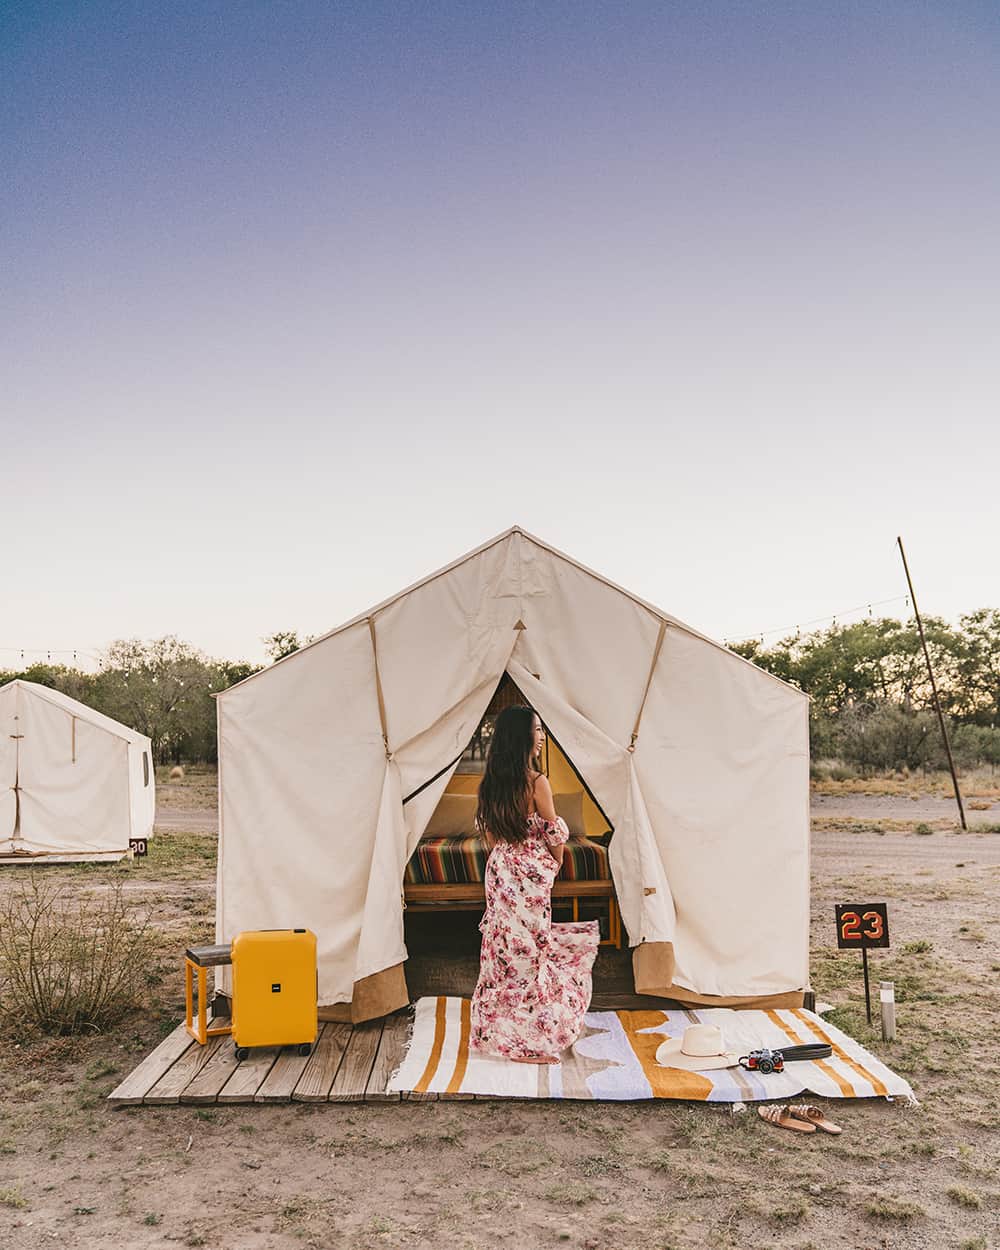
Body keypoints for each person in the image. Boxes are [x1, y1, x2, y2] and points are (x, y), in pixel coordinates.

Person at [470, 705, 600, 1064]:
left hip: (501, 871)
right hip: (528, 873)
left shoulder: (491, 782)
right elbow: (553, 829)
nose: (542, 736)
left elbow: (492, 836)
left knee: (502, 950)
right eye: (538, 729)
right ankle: (527, 1042)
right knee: (529, 952)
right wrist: (555, 861)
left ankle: (502, 1032)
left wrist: (507, 865)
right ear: (523, 736)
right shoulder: (536, 781)